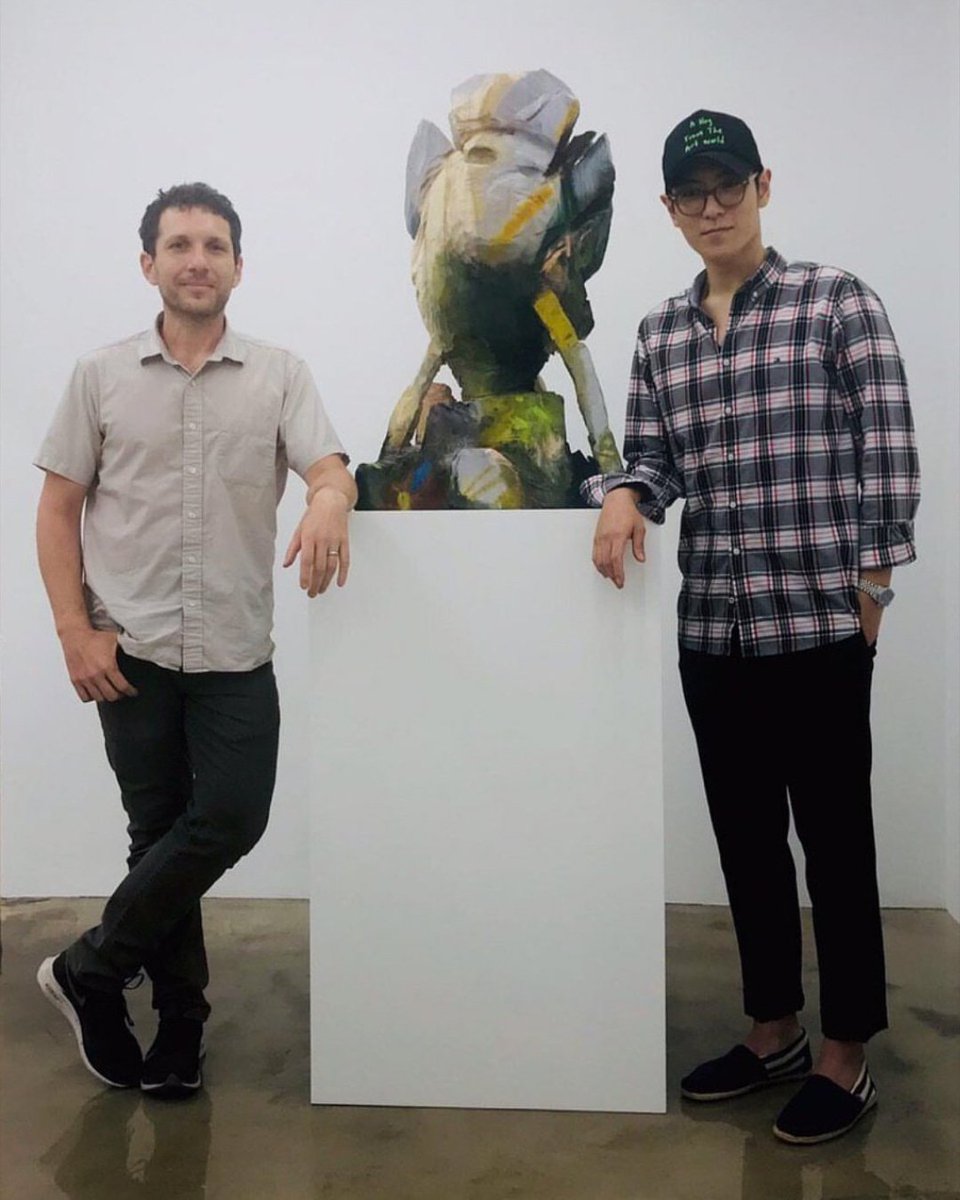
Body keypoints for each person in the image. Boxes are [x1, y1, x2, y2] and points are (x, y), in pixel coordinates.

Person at [589, 111, 920, 1144]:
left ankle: (845, 1054)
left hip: (819, 629)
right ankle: (773, 1028)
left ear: (763, 186)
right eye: (692, 193)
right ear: (668, 208)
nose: (713, 207)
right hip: (715, 636)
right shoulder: (661, 334)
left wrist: (873, 595)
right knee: (746, 844)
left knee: (838, 846)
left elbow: (890, 451)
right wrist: (622, 494)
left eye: (729, 185)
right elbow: (656, 460)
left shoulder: (836, 303)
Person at [34, 182, 356, 1098]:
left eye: (215, 246)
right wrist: (74, 631)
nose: (197, 260)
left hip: (234, 656)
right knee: (157, 839)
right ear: (150, 264)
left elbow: (328, 468)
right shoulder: (99, 377)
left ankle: (89, 967)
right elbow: (57, 509)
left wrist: (331, 499)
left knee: (230, 818)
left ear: (238, 267)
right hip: (127, 653)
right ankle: (180, 1030)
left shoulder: (279, 374)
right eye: (179, 245)